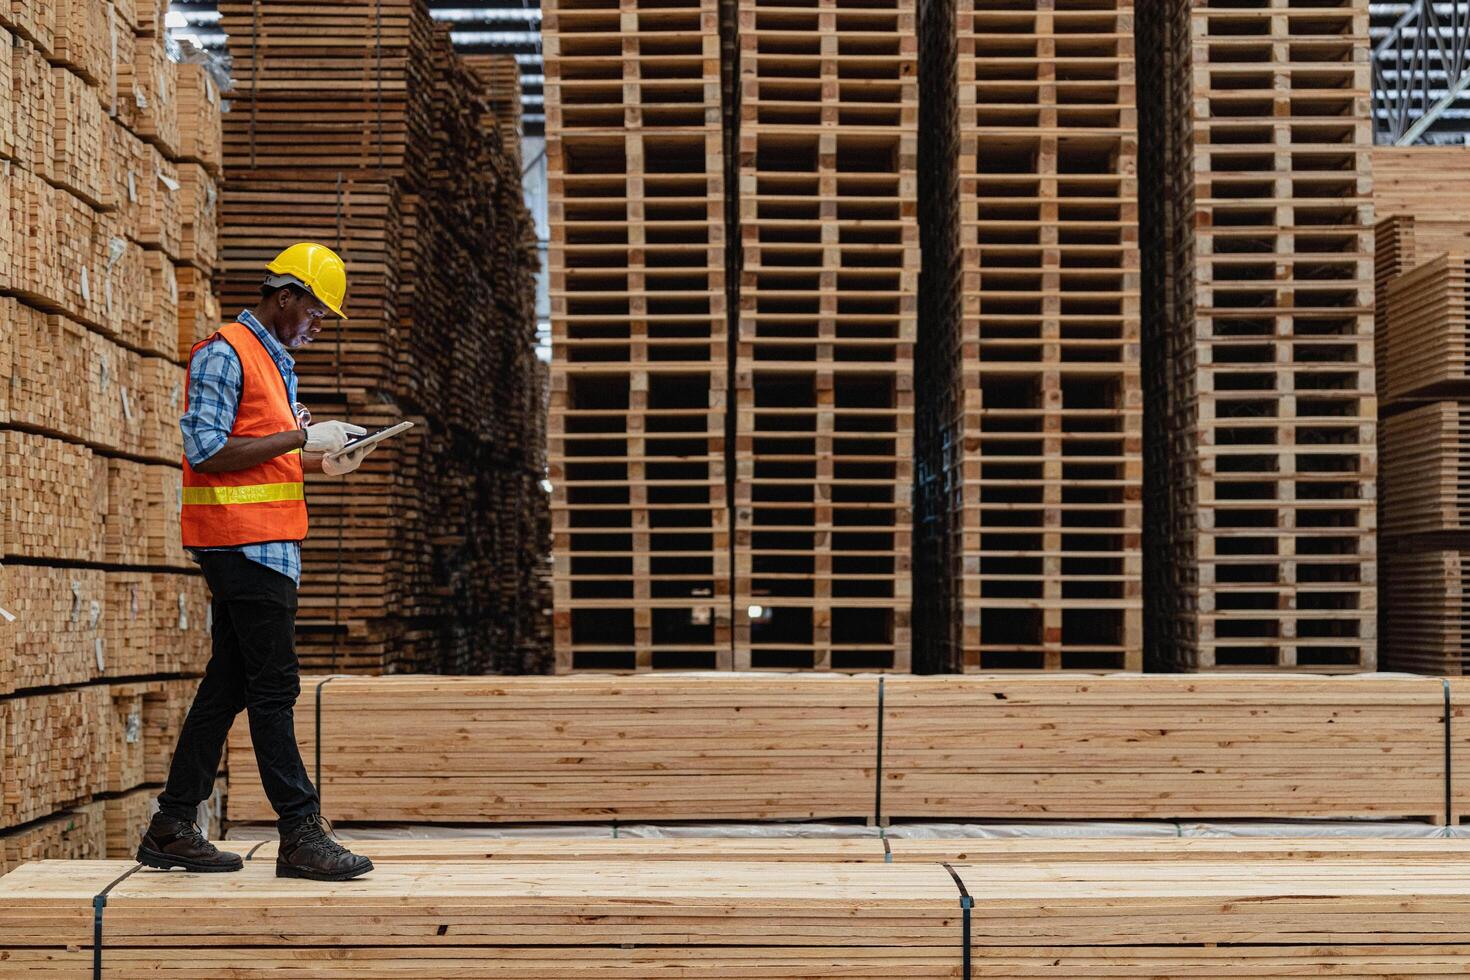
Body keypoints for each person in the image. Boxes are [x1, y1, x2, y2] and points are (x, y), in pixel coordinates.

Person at [136, 243, 376, 881]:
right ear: (285, 295)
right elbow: (208, 450)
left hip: (268, 545)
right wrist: (304, 436)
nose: (320, 324)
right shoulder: (225, 352)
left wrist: (325, 462)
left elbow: (266, 458)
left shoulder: (278, 364)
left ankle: (171, 824)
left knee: (230, 685)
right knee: (275, 687)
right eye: (317, 311)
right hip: (240, 546)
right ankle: (299, 832)